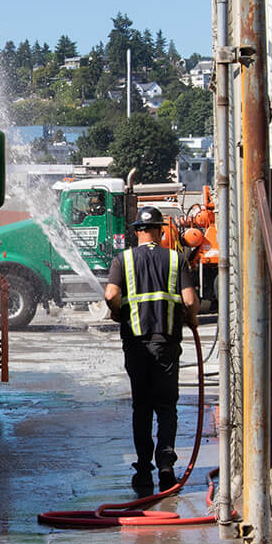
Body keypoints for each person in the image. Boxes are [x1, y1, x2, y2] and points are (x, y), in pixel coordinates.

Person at [104, 206, 199, 493]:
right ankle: (166, 465)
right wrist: (191, 317)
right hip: (166, 343)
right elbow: (190, 301)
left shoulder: (123, 260)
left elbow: (111, 295)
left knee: (142, 407)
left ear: (136, 232)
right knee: (166, 406)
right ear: (160, 231)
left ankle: (144, 470)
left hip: (135, 345)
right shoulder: (175, 259)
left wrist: (118, 312)